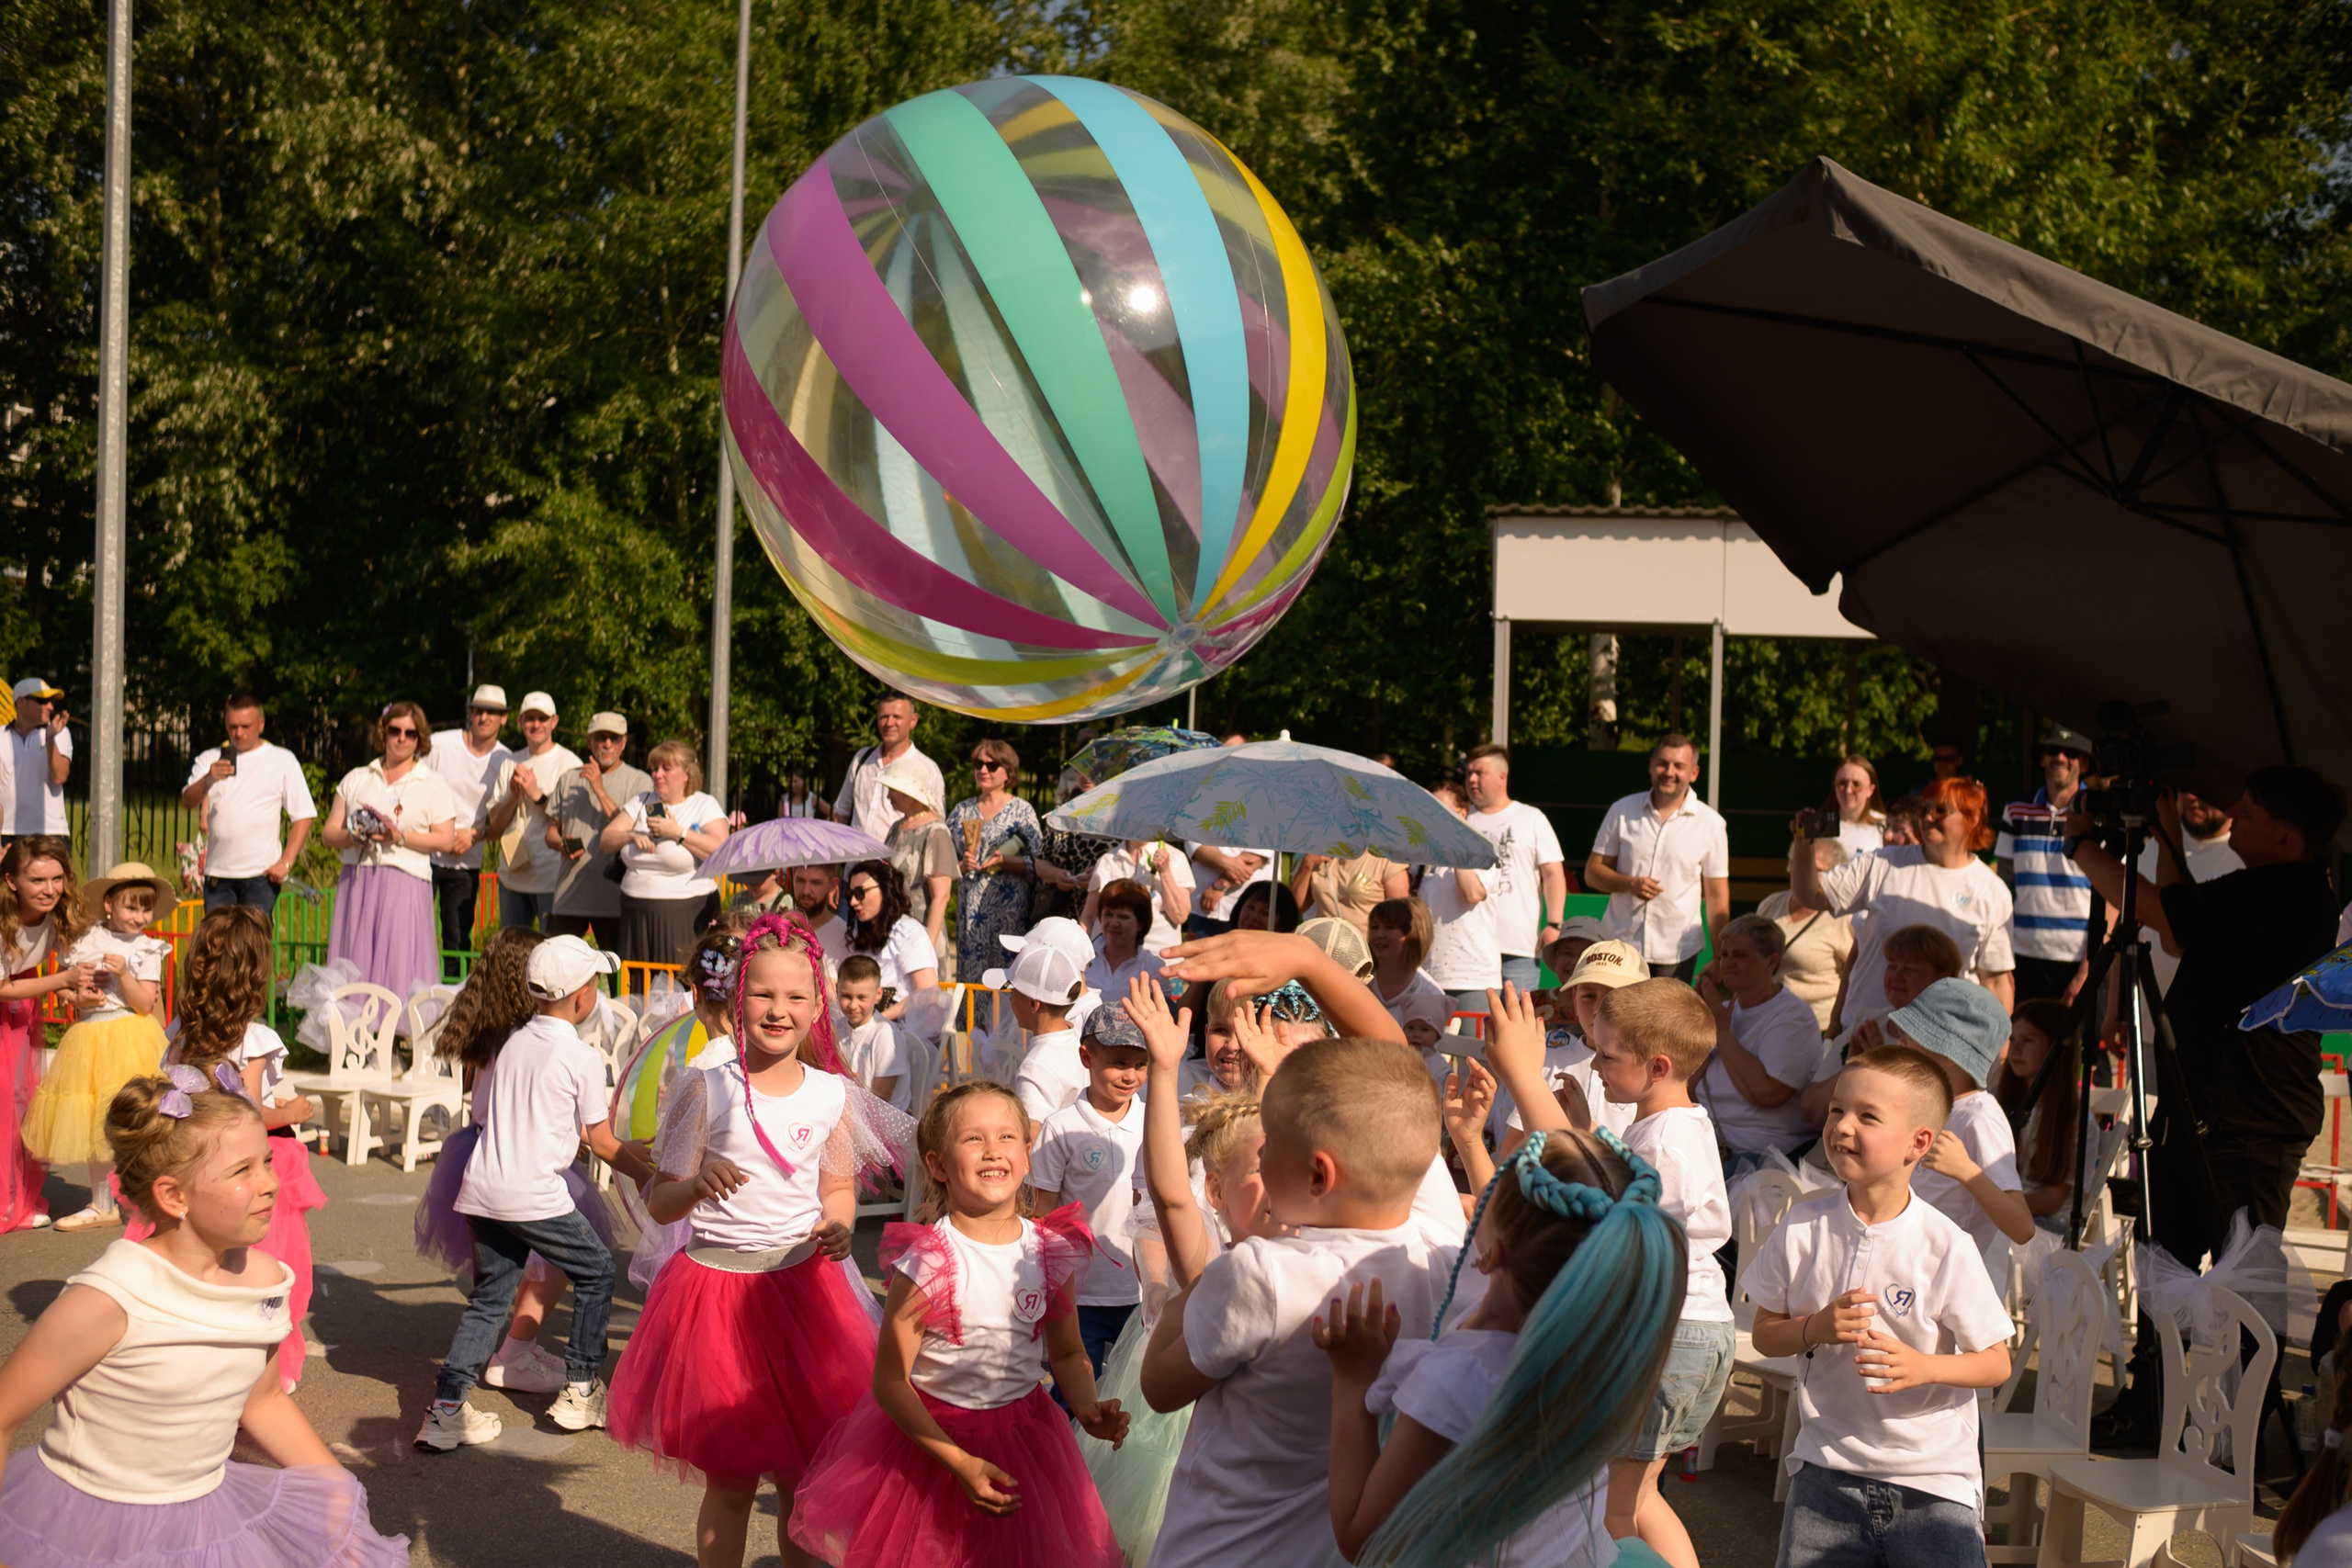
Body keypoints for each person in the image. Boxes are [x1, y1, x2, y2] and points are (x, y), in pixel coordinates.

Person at [0, 1072, 408, 1568]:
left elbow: (264, 1401)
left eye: (267, 1161)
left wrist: (332, 1486)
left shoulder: (264, 1281)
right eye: (243, 1171)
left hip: (204, 1514)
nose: (271, 1183)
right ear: (175, 1196)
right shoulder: (110, 1297)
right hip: (88, 1525)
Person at [611, 913, 910, 1568]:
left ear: (817, 1006)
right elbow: (661, 1198)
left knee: (803, 1477)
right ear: (738, 998)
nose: (779, 1009)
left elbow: (836, 1186)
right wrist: (694, 1188)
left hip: (805, 1294)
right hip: (716, 1295)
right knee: (731, 1478)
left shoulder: (832, 1094)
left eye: (795, 996)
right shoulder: (707, 1085)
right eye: (764, 994)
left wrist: (838, 1221)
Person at [2067, 765, 2345, 1445]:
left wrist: (2079, 845)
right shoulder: (2270, 888)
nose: (2235, 818)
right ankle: (2153, 1404)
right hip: (2203, 1100)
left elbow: (2162, 917)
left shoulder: (2289, 893)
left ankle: (2240, 1431)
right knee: (2166, 1252)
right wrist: (2167, 838)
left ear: (2284, 836)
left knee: (2242, 1277)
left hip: (2246, 1115)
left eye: (2247, 813)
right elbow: (2188, 927)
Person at [1137, 1033, 1455, 1568]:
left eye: (1269, 1148)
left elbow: (1158, 1388)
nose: (1261, 1153)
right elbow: (1402, 1115)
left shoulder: (1260, 1274)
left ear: (1317, 1174)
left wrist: (1192, 1290)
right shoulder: (1441, 1250)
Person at [1316, 1112, 1682, 1568]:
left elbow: (1362, 1541)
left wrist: (1353, 1378)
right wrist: (1468, 1142)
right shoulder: (1598, 1346)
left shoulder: (1458, 1380)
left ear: (1491, 1255)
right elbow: (1551, 1233)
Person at [787, 1083, 1126, 1568]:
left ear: (1027, 1156)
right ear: (938, 1164)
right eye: (973, 1139)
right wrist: (958, 1462)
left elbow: (1069, 1352)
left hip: (1028, 1441)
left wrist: (1088, 1406)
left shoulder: (1051, 1250)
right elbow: (890, 1381)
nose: (993, 1151)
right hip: (935, 1451)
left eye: (1008, 1136)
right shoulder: (929, 1262)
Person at [1745, 1043, 2014, 1568]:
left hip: (1933, 1485)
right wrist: (1814, 1328)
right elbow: (1764, 1332)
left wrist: (1924, 1367)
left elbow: (1996, 1362)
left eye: (1867, 1116)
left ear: (1919, 1142)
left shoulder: (1945, 1244)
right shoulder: (1802, 1226)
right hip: (1825, 1472)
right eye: (1837, 1110)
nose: (1843, 1126)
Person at [417, 937, 654, 1451]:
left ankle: (446, 1409)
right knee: (596, 1268)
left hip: (482, 1191)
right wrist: (652, 1170)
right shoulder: (581, 1057)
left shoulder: (511, 1041)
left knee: (487, 1301)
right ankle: (582, 1388)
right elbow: (601, 1140)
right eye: (597, 984)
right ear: (582, 996)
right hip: (534, 1195)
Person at [1102, 977, 1286, 1565]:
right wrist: (1157, 1288)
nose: (1231, 1044)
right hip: (1182, 1327)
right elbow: (1164, 1209)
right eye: (1219, 1029)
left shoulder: (1289, 1136)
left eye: (1245, 1030)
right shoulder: (1182, 1133)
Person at [1568, 981, 1736, 1568]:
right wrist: (1589, 1135)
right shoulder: (1683, 1126)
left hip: (1665, 1334)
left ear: (1658, 1065)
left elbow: (1634, 1228)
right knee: (1639, 1497)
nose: (1595, 1063)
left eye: (1608, 1055)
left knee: (1610, 1510)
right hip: (1700, 1329)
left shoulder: (1661, 1140)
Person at [149, 908, 322, 1390]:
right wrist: (291, 1112)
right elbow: (245, 1113)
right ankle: (265, 1371)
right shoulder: (255, 1037)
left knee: (196, 1261)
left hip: (195, 1159)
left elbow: (193, 1098)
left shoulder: (181, 1032)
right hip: (248, 1164)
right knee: (261, 1266)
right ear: (255, 974)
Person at [1792, 774, 2016, 1025]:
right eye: (1924, 809)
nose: (1928, 817)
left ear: (1971, 819)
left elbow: (1996, 982)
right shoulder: (1882, 863)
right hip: (1867, 1035)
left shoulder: (1991, 890)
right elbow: (1811, 895)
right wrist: (1803, 847)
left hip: (1943, 1042)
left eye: (1941, 811)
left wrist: (1998, 1053)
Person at [25, 863, 174, 1234]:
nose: (139, 916)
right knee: (94, 1119)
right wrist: (80, 998)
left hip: (131, 1034)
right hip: (90, 1035)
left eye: (145, 908)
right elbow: (72, 994)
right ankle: (101, 1202)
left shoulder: (147, 948)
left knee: (138, 1119)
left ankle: (145, 1196)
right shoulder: (87, 940)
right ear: (109, 904)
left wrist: (124, 974)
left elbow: (144, 1004)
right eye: (131, 907)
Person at [1032, 1002, 1151, 1384]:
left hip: (1141, 1292)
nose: (1129, 1075)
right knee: (1073, 1395)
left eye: (1140, 1064)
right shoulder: (1060, 1128)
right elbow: (1043, 1213)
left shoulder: (1157, 1124)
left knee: (1134, 1394)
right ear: (1087, 1056)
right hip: (1079, 1296)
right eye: (1118, 1062)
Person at [1885, 978, 2035, 1269]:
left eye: (1912, 1034)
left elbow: (2022, 1227)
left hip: (1948, 1284)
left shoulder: (1981, 1119)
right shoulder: (1929, 1104)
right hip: (1909, 1265)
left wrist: (1966, 1171)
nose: (1900, 1041)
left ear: (1948, 1054)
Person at [321, 701, 457, 999]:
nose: (401, 738)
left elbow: (445, 840)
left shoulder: (433, 783)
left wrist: (400, 836)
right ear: (384, 732)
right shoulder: (358, 777)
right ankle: (356, 1031)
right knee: (356, 957)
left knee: (398, 958)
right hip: (358, 878)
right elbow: (329, 833)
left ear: (420, 738)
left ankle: (395, 1035)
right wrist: (353, 836)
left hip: (405, 878)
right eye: (395, 730)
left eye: (410, 733)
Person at [1584, 734, 1730, 983]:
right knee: (1616, 1022)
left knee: (1665, 1023)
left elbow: (1717, 896)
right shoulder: (1622, 810)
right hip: (1621, 947)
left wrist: (1720, 957)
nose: (1669, 772)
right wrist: (1630, 884)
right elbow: (1592, 874)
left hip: (1676, 952)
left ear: (1694, 773)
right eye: (1663, 763)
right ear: (1651, 765)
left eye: (1679, 766)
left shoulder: (1711, 824)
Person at [2, 838, 94, 1232]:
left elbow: (48, 973)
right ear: (11, 882)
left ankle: (14, 1199)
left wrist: (75, 992)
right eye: (38, 880)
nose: (50, 889)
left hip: (21, 1013)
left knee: (21, 1104)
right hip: (8, 1001)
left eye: (57, 878)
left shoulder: (54, 915)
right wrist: (61, 980)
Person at [1798, 923, 1968, 1131]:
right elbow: (1811, 1109)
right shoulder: (1867, 1021)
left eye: (1910, 969)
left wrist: (1876, 1067)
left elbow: (1928, 1115)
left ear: (1943, 977)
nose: (1897, 976)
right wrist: (1855, 1067)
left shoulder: (1955, 1036)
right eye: (1892, 966)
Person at [1695, 914, 1829, 1173]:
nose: (1728, 963)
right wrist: (1701, 1027)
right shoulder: (1718, 1010)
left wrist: (1721, 1032)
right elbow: (1685, 1086)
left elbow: (1768, 1094)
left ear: (1772, 962)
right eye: (1724, 955)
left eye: (1740, 955)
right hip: (1705, 1142)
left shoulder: (1793, 1016)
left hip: (1761, 1157)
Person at [602, 738, 730, 974]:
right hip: (636, 913)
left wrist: (678, 833)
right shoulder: (641, 801)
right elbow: (606, 839)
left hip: (685, 914)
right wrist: (631, 835)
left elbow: (721, 849)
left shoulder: (703, 804)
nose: (658, 775)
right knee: (638, 989)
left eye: (666, 769)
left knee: (679, 985)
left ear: (686, 774)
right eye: (654, 768)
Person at [182, 694, 318, 915]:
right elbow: (187, 801)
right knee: (218, 946)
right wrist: (209, 778)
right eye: (233, 726)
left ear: (261, 724)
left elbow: (304, 814)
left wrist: (285, 863)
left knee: (254, 945)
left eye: (246, 726)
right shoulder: (210, 758)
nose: (239, 733)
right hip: (219, 874)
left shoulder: (281, 759)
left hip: (260, 876)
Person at [1995, 723, 2098, 1003]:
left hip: (2080, 960)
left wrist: (2088, 968)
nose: (2060, 758)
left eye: (2070, 752)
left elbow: (2114, 900)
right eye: (2053, 750)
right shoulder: (2016, 809)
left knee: (2078, 1048)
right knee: (2024, 1045)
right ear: (2042, 758)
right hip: (2023, 956)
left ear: (2084, 762)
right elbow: (2002, 887)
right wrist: (2002, 958)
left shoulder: (2100, 813)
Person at [1463, 744, 1571, 992]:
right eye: (1468, 773)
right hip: (1469, 950)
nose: (1472, 779)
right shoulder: (1461, 819)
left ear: (1502, 776)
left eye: (1480, 772)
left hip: (1518, 948)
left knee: (1519, 1019)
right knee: (1476, 1029)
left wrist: (1554, 924)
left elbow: (1553, 874)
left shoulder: (1531, 818)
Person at [481, 692, 581, 937]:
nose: (536, 725)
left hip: (552, 878)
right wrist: (514, 796)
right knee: (512, 956)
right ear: (520, 722)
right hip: (512, 878)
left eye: (542, 719)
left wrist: (537, 795)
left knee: (551, 955)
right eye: (529, 719)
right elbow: (495, 822)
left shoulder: (568, 763)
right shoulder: (510, 762)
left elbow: (574, 824)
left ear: (554, 722)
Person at [546, 711, 649, 945]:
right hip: (570, 895)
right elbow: (551, 830)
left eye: (614, 738)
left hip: (615, 897)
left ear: (624, 743)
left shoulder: (640, 782)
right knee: (559, 971)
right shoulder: (568, 779)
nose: (607, 744)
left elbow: (632, 827)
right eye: (601, 738)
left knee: (618, 976)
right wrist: (559, 842)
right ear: (589, 742)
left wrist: (599, 790)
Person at [424, 684, 512, 952]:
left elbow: (503, 821)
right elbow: (411, 785)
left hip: (466, 862)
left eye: (492, 712)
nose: (484, 718)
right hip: (423, 855)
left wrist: (474, 835)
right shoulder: (440, 744)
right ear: (470, 714)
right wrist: (436, 834)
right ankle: (406, 992)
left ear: (504, 718)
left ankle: (455, 994)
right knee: (411, 934)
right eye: (478, 711)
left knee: (457, 939)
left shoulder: (505, 759)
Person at [948, 739, 1043, 981]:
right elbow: (945, 864)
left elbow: (1039, 863)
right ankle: (972, 1020)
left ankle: (1004, 1020)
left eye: (991, 765)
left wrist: (1006, 861)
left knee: (1006, 972)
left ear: (1008, 771)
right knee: (971, 972)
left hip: (1009, 906)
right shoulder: (962, 810)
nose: (982, 770)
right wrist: (960, 866)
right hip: (971, 907)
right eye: (978, 764)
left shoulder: (1022, 810)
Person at [1990, 999, 2080, 1234]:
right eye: (2012, 1040)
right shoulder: (1999, 1099)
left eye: (2027, 1040)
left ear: (2055, 1047)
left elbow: (2052, 1198)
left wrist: (1994, 1206)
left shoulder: (2075, 1117)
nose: (2015, 1050)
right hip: (2001, 1209)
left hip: (2045, 1224)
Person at [1419, 780, 1501, 1015]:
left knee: (1472, 1050)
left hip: (1472, 976)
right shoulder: (1421, 855)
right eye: (1430, 810)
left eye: (1443, 810)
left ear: (1463, 814)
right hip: (1426, 974)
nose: (1436, 817)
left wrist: (1453, 843)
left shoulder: (1483, 850)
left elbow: (1472, 893)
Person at [1757, 838, 1854, 1033]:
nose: (1800, 872)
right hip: (1766, 1020)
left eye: (1814, 868)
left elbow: (1853, 978)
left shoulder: (1844, 918)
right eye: (1795, 863)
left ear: (1834, 874)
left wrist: (1835, 1027)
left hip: (1817, 1027)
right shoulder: (1770, 904)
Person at [989, 941, 1089, 1127]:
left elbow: (1032, 1136)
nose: (1010, 1000)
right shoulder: (1075, 1036)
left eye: (1013, 993)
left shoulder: (1036, 1067)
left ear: (1034, 1005)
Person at [833, 694, 945, 841]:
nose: (889, 723)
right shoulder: (862, 759)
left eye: (897, 717)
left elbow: (936, 827)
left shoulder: (927, 769)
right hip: (855, 863)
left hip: (896, 862)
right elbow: (841, 813)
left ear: (913, 720)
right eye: (884, 717)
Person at [881, 755, 956, 958]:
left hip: (921, 935)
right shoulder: (897, 828)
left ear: (909, 792)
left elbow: (941, 897)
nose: (888, 796)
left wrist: (925, 949)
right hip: (893, 932)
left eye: (893, 789)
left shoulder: (936, 832)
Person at [842, 861, 937, 1017]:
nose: (853, 901)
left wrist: (879, 1022)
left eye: (860, 893)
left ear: (885, 889)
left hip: (903, 1031)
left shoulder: (907, 932)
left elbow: (929, 994)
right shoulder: (863, 936)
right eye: (850, 894)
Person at [1365, 897, 1453, 1050]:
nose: (1379, 934)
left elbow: (1427, 1056)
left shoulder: (1430, 993)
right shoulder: (1358, 980)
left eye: (1390, 927)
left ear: (1414, 935)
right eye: (1374, 927)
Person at [1083, 836, 1193, 957]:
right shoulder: (1108, 860)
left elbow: (1180, 916)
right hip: (1110, 960)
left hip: (1158, 957)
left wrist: (1165, 872)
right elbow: (1088, 916)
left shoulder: (1176, 858)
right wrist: (1082, 954)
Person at [835, 954, 912, 1111]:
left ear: (878, 995)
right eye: (846, 996)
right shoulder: (837, 1027)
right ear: (837, 989)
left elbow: (883, 1095)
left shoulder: (885, 1034)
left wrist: (850, 1091)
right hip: (849, 1108)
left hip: (886, 1120)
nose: (853, 1005)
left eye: (861, 997)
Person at [2, 677, 71, 840]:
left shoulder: (60, 733)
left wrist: (50, 739)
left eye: (51, 701)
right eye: (42, 701)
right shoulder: (1, 736)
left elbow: (60, 776)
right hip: (6, 833)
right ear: (20, 702)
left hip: (50, 832)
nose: (50, 706)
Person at [1291, 846, 1409, 931]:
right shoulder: (1320, 858)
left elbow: (1400, 917)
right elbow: (1294, 908)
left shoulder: (1387, 861)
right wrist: (1306, 866)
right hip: (1325, 954)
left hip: (1368, 955)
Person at [1086, 878, 1165, 998]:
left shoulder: (1153, 968)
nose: (1113, 922)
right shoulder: (1084, 959)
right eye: (1108, 914)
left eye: (1122, 917)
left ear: (1141, 923)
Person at [787, 864, 847, 974]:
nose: (806, 891)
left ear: (833, 885)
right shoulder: (779, 928)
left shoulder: (844, 937)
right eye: (800, 881)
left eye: (815, 883)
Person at [1826, 754, 1886, 858]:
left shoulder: (1885, 826)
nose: (1848, 790)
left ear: (1870, 790)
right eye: (1842, 783)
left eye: (1856, 784)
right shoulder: (1819, 825)